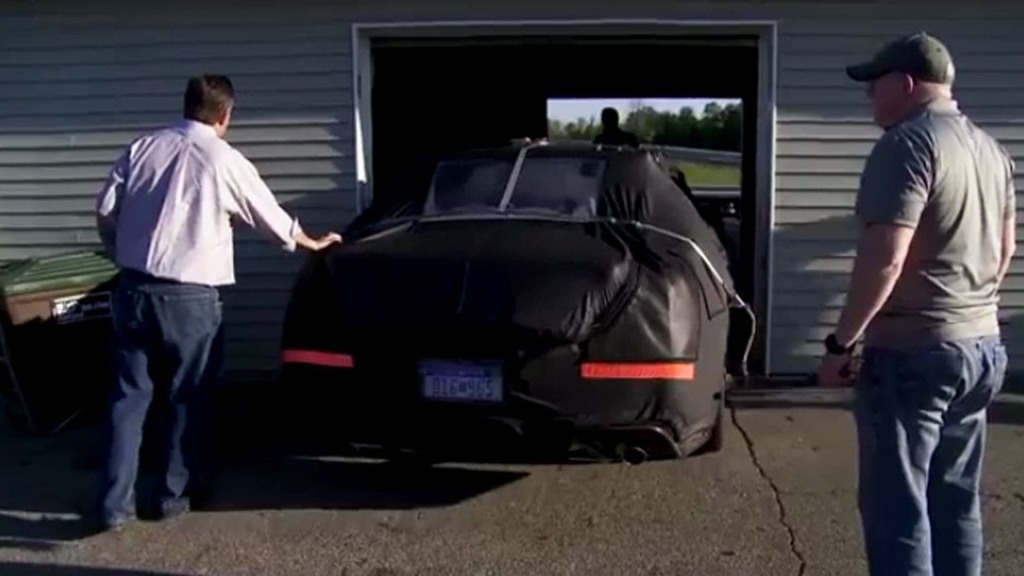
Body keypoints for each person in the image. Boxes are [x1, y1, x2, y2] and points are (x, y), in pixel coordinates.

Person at [93, 74, 342, 532]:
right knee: (188, 397)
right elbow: (268, 215)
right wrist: (310, 242)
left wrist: (121, 250)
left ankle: (113, 506)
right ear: (225, 113)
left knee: (128, 399)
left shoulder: (143, 148)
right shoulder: (223, 159)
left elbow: (107, 210)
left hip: (132, 290)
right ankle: (172, 496)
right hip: (190, 298)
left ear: (187, 105)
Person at [816, 32, 1014, 575]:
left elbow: (885, 258)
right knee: (956, 499)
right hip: (980, 347)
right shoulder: (991, 150)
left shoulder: (907, 145)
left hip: (912, 354)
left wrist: (841, 344)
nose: (868, 97)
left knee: (897, 508)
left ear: (905, 84)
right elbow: (1004, 251)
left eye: (874, 85)